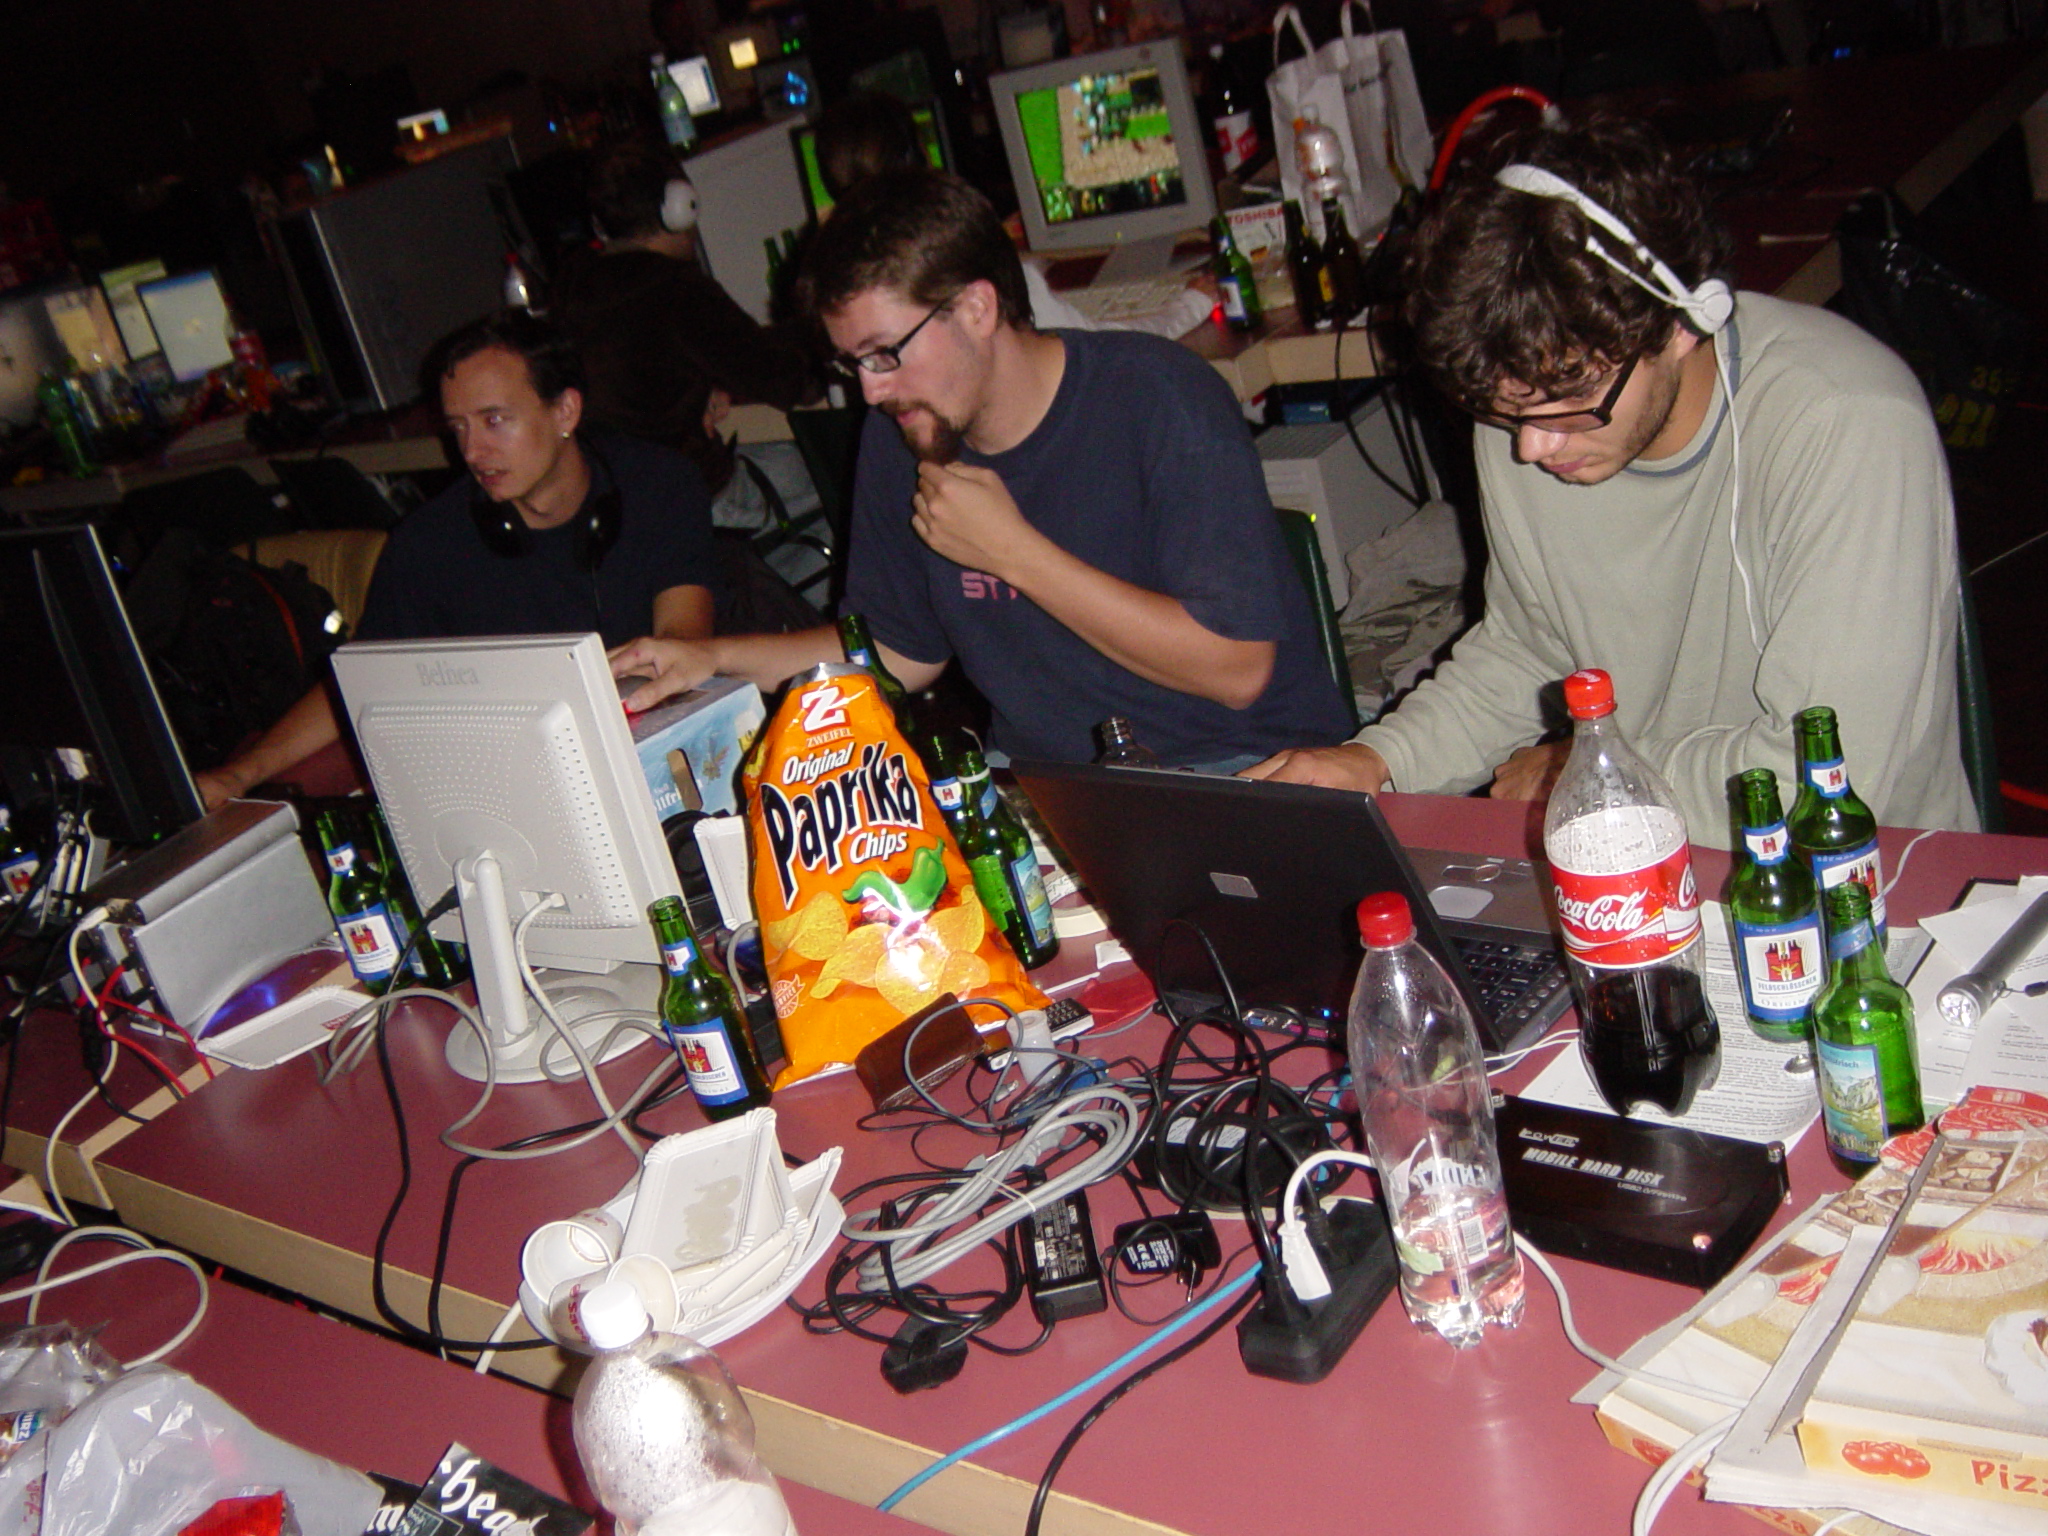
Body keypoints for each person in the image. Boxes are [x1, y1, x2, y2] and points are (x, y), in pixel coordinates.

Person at [1250, 114, 1976, 843]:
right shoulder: (1526, 409)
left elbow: (1831, 776)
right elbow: (1529, 650)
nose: (1532, 447)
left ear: (1683, 320)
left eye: (1571, 403)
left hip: (1857, 874)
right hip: (1632, 850)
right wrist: (1378, 759)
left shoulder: (1845, 422)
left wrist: (1585, 774)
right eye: (1503, 413)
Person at [610, 170, 1353, 768]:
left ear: (975, 308)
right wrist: (711, 658)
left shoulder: (1160, 398)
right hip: (1050, 789)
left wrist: (1011, 552)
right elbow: (897, 653)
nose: (870, 390)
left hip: (1239, 765)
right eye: (851, 363)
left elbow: (1235, 670)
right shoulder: (903, 434)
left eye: (883, 353)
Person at [196, 310, 720, 807]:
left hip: (662, 746)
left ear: (565, 411)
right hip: (514, 777)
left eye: (494, 420)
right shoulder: (429, 543)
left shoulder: (658, 485)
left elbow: (683, 642)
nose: (472, 452)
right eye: (459, 428)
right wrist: (239, 775)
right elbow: (361, 681)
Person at [811, 93, 1214, 340]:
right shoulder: (960, 260)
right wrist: (1192, 304)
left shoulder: (829, 285)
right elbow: (1100, 349)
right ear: (918, 157)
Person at [554, 139, 816, 504]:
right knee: (828, 470)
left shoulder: (572, 284)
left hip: (622, 501)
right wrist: (828, 346)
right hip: (693, 495)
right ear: (679, 208)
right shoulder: (677, 290)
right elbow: (784, 380)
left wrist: (707, 385)